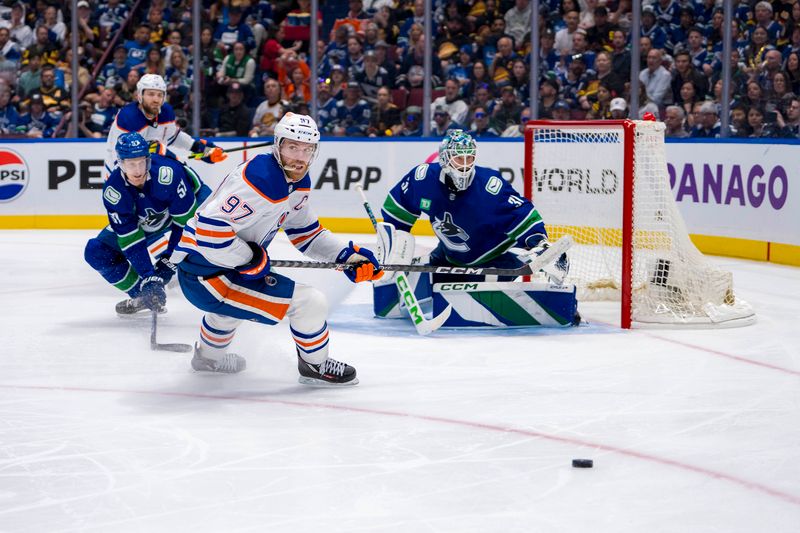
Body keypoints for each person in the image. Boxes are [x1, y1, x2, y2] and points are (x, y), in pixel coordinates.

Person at [171, 113, 383, 383]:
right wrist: (249, 257)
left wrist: (347, 256)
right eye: (292, 147)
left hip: (213, 270)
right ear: (277, 145)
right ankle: (314, 366)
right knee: (310, 302)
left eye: (307, 149)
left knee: (227, 311)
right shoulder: (262, 180)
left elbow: (306, 233)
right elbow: (210, 231)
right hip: (207, 276)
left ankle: (207, 360)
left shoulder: (295, 180)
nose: (300, 156)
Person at [374, 130, 571, 325]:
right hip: (448, 258)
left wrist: (540, 243)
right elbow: (396, 210)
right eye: (459, 158)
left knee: (465, 298)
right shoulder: (422, 178)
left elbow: (524, 216)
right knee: (392, 296)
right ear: (444, 158)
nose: (465, 164)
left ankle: (521, 264)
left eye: (469, 157)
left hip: (494, 261)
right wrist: (395, 243)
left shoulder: (489, 186)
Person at [84, 132, 212, 316]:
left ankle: (234, 263)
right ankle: (145, 297)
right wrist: (149, 278)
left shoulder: (168, 174)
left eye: (141, 162)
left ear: (148, 160)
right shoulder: (114, 191)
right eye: (131, 164)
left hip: (192, 206)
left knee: (210, 230)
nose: (137, 171)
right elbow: (131, 240)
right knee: (96, 251)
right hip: (148, 220)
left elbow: (185, 225)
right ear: (120, 163)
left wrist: (169, 262)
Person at [104, 74, 227, 178]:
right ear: (140, 96)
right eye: (151, 94)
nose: (156, 99)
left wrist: (201, 149)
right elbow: (123, 156)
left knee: (187, 179)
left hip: (151, 168)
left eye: (160, 95)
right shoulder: (128, 118)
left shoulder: (166, 112)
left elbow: (173, 137)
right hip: (121, 173)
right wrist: (164, 155)